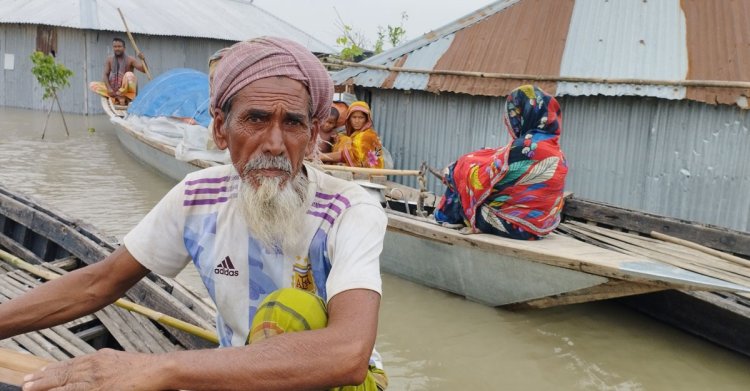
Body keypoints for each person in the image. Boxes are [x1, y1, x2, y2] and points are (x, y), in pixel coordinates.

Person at [2, 36, 388, 391]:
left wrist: (161, 368)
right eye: (255, 119)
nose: (274, 143)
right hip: (240, 377)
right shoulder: (197, 197)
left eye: (292, 123)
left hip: (342, 384)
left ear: (311, 136)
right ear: (220, 129)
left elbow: (348, 352)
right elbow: (99, 283)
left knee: (291, 309)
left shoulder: (350, 209)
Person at [434, 85, 568, 240]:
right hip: (542, 227)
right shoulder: (558, 152)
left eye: (515, 113)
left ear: (526, 114)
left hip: (516, 227)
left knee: (458, 170)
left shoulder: (526, 146)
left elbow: (486, 174)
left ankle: (445, 217)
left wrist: (459, 166)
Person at [321, 101, 384, 168]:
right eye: (354, 117)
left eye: (361, 118)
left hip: (369, 174)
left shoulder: (367, 135)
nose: (357, 121)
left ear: (366, 119)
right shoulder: (353, 135)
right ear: (349, 119)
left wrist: (322, 156)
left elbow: (351, 156)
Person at [88, 37, 147, 106]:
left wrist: (143, 60)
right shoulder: (109, 59)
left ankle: (123, 97)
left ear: (124, 48)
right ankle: (116, 97)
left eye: (119, 46)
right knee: (92, 85)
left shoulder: (130, 59)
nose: (117, 49)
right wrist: (109, 89)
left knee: (129, 75)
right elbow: (105, 75)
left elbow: (144, 70)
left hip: (125, 91)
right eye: (115, 47)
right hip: (113, 90)